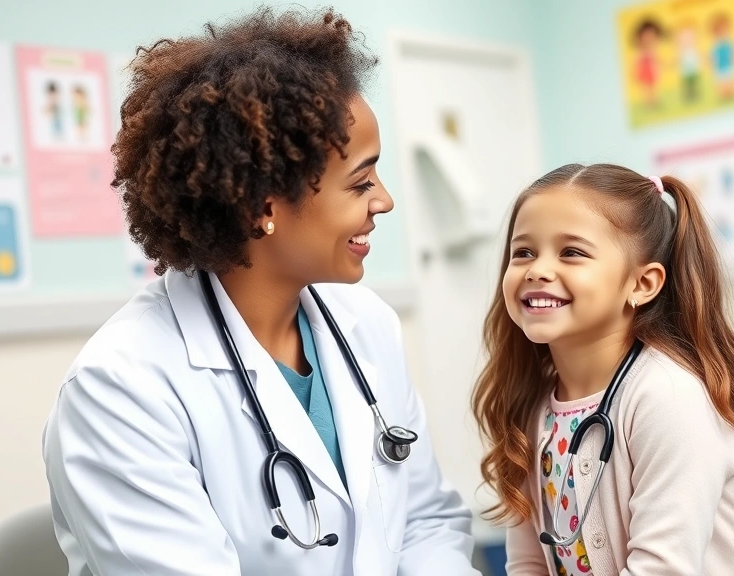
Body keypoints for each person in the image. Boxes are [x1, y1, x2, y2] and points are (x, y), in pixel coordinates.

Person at [42, 7, 479, 576]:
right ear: (264, 205)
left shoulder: (365, 323)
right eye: (361, 181)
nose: (384, 201)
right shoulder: (121, 388)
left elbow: (424, 522)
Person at [471, 163, 734, 575]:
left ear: (642, 284)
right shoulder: (534, 406)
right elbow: (527, 565)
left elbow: (663, 569)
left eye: (571, 252)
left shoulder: (668, 398)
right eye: (523, 252)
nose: (537, 269)